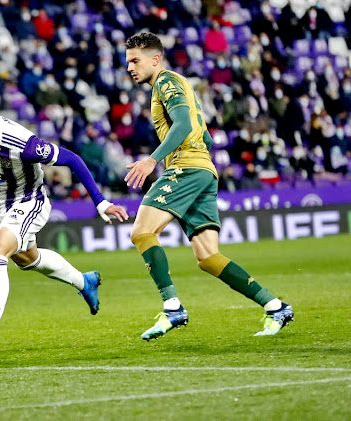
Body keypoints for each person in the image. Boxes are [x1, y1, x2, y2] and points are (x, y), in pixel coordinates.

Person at [123, 32, 293, 340]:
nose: (130, 67)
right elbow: (207, 136)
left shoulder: (166, 82)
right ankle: (275, 306)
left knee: (141, 232)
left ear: (155, 59)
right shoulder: (180, 84)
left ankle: (172, 307)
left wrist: (153, 160)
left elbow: (184, 125)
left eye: (135, 60)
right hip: (203, 170)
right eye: (128, 62)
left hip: (186, 168)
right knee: (208, 257)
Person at [0, 102, 128, 360]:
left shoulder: (25, 145)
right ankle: (84, 281)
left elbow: (73, 160)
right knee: (28, 259)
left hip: (29, 201)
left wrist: (100, 201)